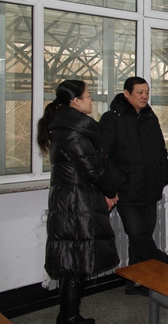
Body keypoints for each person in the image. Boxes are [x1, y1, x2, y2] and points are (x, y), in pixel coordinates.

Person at [39, 80, 119, 324]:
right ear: (75, 102)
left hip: (74, 199)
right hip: (76, 203)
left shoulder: (66, 126)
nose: (91, 100)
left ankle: (68, 316)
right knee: (76, 264)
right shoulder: (72, 131)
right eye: (88, 96)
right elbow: (91, 168)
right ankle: (69, 318)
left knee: (74, 262)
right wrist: (111, 191)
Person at [99, 77, 168, 295]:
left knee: (142, 234)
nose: (144, 96)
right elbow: (105, 156)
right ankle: (160, 261)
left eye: (147, 92)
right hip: (127, 189)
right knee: (137, 233)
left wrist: (162, 176)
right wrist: (121, 181)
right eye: (140, 92)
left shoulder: (150, 117)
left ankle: (135, 282)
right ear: (126, 94)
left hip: (151, 187)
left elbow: (161, 149)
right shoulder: (112, 119)